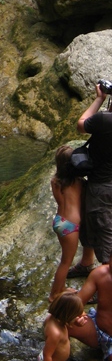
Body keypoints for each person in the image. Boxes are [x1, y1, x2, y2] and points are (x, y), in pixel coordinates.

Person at [70, 82, 112, 272]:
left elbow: (81, 125)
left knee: (103, 229)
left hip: (102, 185)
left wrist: (99, 99)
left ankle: (106, 281)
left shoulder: (104, 120)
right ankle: (87, 263)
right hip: (102, 182)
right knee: (90, 222)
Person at [66, 260, 112, 361]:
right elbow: (77, 304)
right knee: (57, 321)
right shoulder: (100, 274)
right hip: (97, 328)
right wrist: (78, 316)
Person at [49, 146, 86, 301]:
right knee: (66, 262)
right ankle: (54, 294)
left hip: (59, 221)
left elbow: (59, 200)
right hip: (71, 225)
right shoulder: (79, 183)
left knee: (65, 259)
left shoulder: (55, 181)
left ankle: (61, 288)